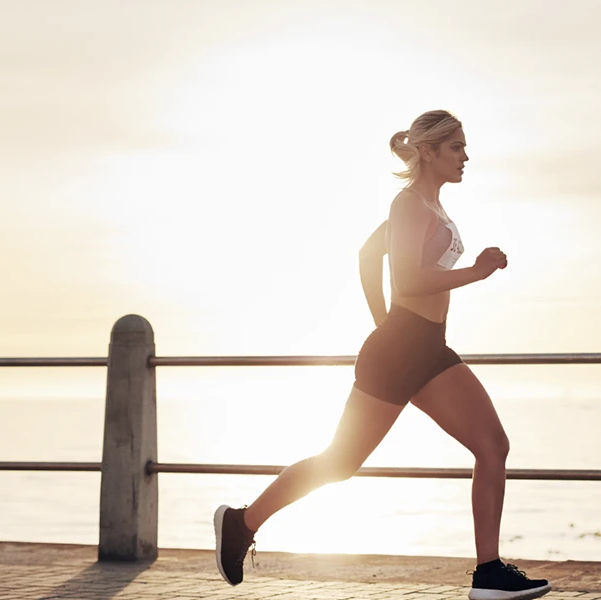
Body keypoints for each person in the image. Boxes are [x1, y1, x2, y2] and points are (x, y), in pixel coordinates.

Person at [213, 110, 552, 600]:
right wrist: (471, 275)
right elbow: (409, 280)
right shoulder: (408, 204)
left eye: (464, 147)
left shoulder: (430, 207)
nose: (465, 156)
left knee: (492, 444)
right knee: (339, 463)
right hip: (401, 349)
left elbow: (369, 257)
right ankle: (241, 523)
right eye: (456, 147)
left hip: (427, 348)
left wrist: (386, 323)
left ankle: (488, 574)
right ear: (430, 152)